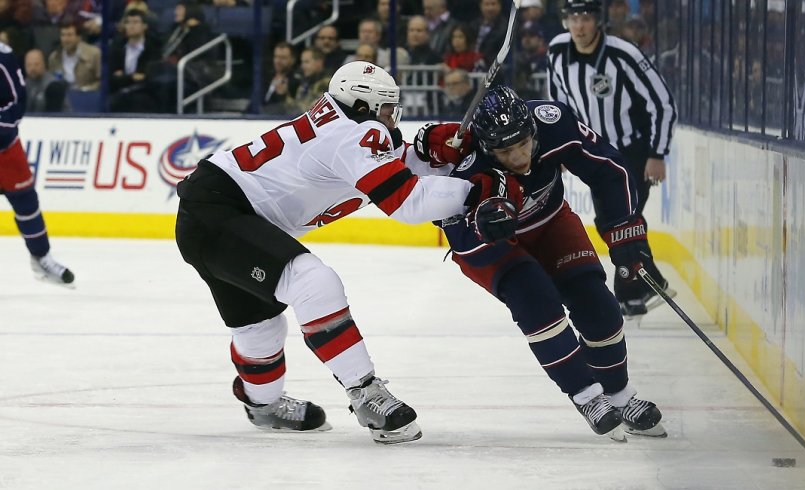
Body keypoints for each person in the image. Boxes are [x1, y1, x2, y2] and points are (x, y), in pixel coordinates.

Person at [174, 61, 500, 444]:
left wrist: (428, 148)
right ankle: (365, 392)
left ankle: (261, 405)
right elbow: (407, 200)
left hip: (213, 211)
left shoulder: (346, 127)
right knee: (313, 282)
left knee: (262, 329)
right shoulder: (352, 136)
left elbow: (392, 163)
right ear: (362, 107)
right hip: (219, 214)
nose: (392, 118)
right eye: (386, 109)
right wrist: (477, 193)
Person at [419, 86, 665, 439]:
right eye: (506, 151)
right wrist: (482, 224)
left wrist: (624, 229)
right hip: (493, 247)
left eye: (523, 144)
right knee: (538, 304)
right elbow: (455, 234)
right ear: (487, 147)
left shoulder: (552, 122)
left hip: (551, 222)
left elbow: (610, 170)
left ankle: (620, 396)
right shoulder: (459, 166)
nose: (519, 157)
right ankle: (586, 394)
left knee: (599, 307)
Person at [546, 0, 677, 318]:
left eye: (586, 17)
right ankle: (653, 282)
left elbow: (662, 104)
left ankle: (631, 294)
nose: (579, 25)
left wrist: (657, 154)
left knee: (619, 221)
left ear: (598, 21)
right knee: (614, 221)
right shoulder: (557, 50)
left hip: (631, 153)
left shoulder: (624, 53)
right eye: (573, 17)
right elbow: (558, 103)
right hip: (594, 153)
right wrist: (561, 146)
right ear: (565, 21)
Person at [0, 41, 74, 286]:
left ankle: (41, 257)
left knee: (26, 201)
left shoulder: (4, 56)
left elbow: (17, 100)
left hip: (4, 147)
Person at [47, 22, 101, 91]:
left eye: (69, 35)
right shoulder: (54, 57)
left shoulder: (94, 54)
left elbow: (102, 81)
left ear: (79, 37)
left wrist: (86, 90)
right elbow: (51, 82)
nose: (65, 39)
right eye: (63, 35)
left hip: (88, 97)